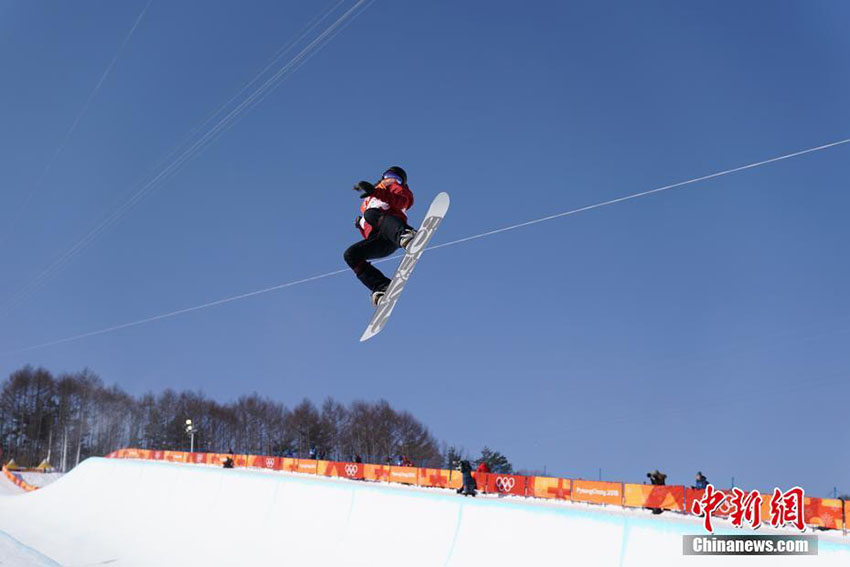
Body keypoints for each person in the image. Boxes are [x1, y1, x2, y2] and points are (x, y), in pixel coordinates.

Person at [343, 166, 417, 305]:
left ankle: (405, 233)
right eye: (388, 175)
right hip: (381, 242)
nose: (392, 179)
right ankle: (381, 286)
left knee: (371, 214)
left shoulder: (395, 188)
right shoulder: (368, 201)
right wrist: (361, 224)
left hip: (393, 230)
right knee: (350, 255)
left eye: (397, 178)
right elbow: (369, 230)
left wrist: (377, 191)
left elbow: (402, 202)